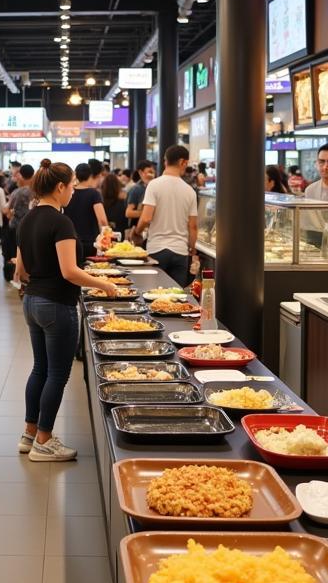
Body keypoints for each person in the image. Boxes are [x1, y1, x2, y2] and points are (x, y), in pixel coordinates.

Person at [15, 159, 123, 461]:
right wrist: (105, 285)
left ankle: (29, 433)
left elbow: (20, 270)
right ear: (60, 187)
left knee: (40, 368)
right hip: (57, 305)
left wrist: (90, 250)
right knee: (58, 374)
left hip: (32, 301)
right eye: (72, 186)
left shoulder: (29, 218)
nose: (74, 192)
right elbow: (69, 271)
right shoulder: (60, 221)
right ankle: (44, 441)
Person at [133, 144, 199, 286]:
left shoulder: (154, 185)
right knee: (176, 298)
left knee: (153, 294)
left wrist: (137, 232)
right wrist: (192, 249)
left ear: (165, 161)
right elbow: (192, 226)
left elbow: (146, 218)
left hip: (156, 249)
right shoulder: (190, 191)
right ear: (184, 162)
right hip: (180, 251)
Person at [63, 163, 108, 258]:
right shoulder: (94, 194)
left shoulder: (69, 193)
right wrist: (106, 238)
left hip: (70, 241)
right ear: (91, 175)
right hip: (90, 242)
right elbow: (102, 220)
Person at [2, 163, 35, 283]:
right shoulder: (37, 191)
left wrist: (10, 212)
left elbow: (6, 209)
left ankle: (16, 277)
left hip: (16, 227)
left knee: (14, 254)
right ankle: (26, 276)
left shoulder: (17, 192)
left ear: (21, 175)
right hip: (32, 228)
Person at [125, 160, 156, 228]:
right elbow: (128, 213)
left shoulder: (154, 187)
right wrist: (147, 213)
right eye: (150, 172)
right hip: (137, 229)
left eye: (153, 172)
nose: (152, 175)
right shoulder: (136, 189)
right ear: (141, 173)